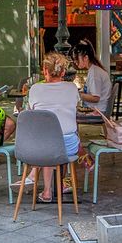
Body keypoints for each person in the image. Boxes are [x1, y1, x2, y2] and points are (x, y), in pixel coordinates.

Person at [27, 52, 87, 202]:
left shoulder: (35, 89)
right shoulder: (72, 88)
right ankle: (57, 186)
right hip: (68, 146)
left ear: (45, 71)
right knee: (56, 139)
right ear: (63, 72)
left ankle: (45, 190)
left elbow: (31, 114)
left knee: (47, 140)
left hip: (42, 147)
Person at [74, 43, 112, 116]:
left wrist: (77, 94)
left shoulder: (95, 73)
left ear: (85, 58)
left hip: (98, 112)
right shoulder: (93, 70)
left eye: (76, 59)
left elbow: (95, 98)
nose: (75, 62)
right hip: (97, 109)